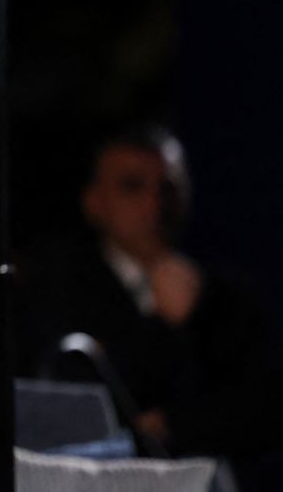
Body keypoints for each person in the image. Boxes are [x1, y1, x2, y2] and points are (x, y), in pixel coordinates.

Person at [20, 126, 279, 485]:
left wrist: (173, 424)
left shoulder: (228, 297)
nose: (154, 204)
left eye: (168, 188)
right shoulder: (55, 292)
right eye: (132, 186)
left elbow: (261, 411)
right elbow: (76, 411)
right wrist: (163, 325)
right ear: (94, 202)